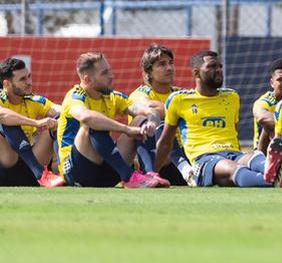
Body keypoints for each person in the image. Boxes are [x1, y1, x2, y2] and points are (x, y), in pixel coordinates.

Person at [155, 51, 282, 188]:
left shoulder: (232, 97)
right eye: (212, 66)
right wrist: (151, 172)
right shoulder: (179, 100)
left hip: (233, 152)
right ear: (196, 73)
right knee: (233, 169)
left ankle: (275, 169)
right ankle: (275, 179)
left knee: (255, 158)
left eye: (220, 66)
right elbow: (166, 142)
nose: (218, 70)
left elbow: (233, 132)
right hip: (204, 158)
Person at [56, 52, 167, 188]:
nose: (111, 76)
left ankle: (149, 174)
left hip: (107, 171)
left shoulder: (112, 97)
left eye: (109, 71)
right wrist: (126, 129)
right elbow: (86, 117)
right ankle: (129, 177)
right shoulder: (75, 96)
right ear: (87, 80)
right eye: (104, 73)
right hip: (77, 171)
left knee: (141, 119)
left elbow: (149, 111)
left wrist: (151, 122)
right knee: (92, 123)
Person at [129, 43, 192, 185]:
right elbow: (147, 107)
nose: (169, 68)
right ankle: (148, 173)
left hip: (185, 155)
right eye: (162, 64)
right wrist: (179, 111)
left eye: (171, 63)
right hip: (157, 160)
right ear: (149, 72)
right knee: (159, 123)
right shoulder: (140, 93)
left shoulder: (179, 93)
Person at [0, 56, 60, 187]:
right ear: (6, 84)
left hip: (28, 169)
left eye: (29, 76)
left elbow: (62, 111)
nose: (29, 82)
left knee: (60, 120)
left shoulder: (34, 100)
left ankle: (61, 170)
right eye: (22, 79)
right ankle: (41, 173)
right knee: (6, 122)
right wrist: (36, 123)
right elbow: (3, 115)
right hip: (5, 164)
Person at [252, 58, 282, 152]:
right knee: (268, 124)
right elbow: (262, 117)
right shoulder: (265, 101)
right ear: (272, 83)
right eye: (280, 79)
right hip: (264, 151)